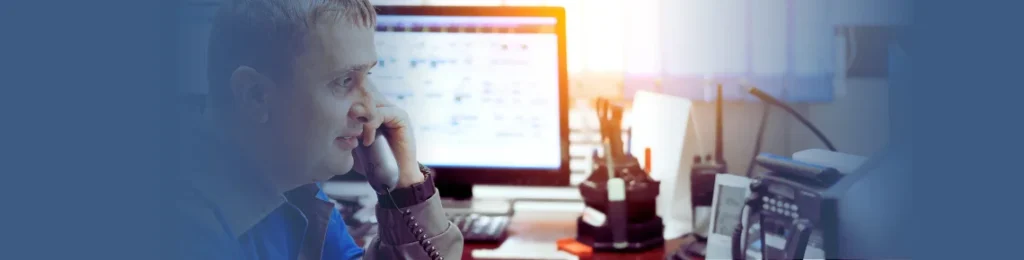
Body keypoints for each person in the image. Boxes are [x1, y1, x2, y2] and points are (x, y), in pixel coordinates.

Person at [168, 0, 463, 259]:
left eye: (367, 75)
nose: (371, 110)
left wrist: (405, 186)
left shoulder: (293, 185)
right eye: (344, 80)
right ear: (256, 95)